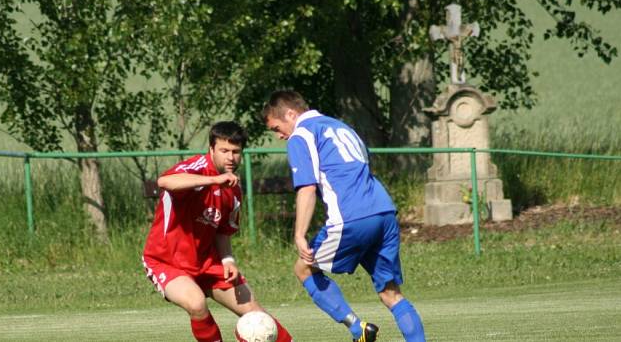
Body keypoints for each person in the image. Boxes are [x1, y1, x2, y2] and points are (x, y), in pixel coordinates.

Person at [262, 90, 426, 342]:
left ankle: (357, 329)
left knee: (304, 268)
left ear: (290, 114)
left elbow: (307, 188)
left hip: (352, 217)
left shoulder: (302, 135)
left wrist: (298, 234)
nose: (280, 135)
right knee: (390, 293)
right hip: (384, 211)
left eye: (276, 127)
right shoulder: (341, 126)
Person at [142, 121, 293, 342]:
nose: (230, 157)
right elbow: (166, 181)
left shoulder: (233, 191)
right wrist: (214, 180)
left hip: (208, 262)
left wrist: (228, 259)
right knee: (196, 303)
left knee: (257, 316)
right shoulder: (196, 170)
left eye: (236, 152)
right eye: (224, 151)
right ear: (211, 149)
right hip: (166, 260)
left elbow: (222, 232)